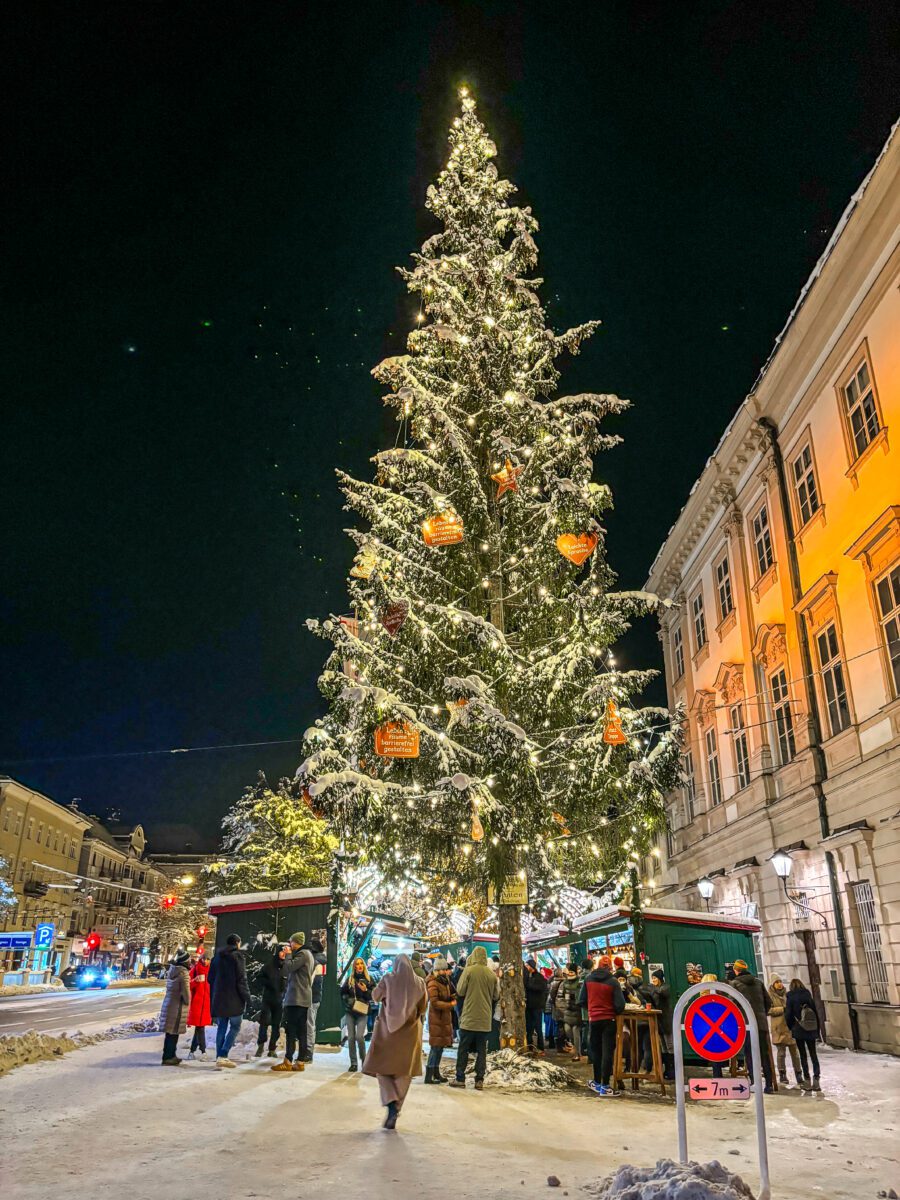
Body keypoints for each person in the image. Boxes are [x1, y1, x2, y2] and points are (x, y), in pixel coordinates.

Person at [363, 953, 427, 1129]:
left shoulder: (388, 979)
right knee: (404, 1073)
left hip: (386, 1033)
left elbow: (375, 996)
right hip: (410, 1034)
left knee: (382, 1069)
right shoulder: (420, 983)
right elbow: (423, 1008)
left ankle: (390, 1102)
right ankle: (397, 1106)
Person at [450, 945, 500, 1090]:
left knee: (463, 1049)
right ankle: (479, 1080)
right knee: (481, 1051)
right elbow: (496, 995)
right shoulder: (492, 975)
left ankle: (460, 1078)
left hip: (469, 1018)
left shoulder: (469, 970)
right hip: (485, 1019)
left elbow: (460, 990)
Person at [579, 954, 625, 1096]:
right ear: (610, 967)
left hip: (594, 1019)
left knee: (596, 1051)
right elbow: (620, 1005)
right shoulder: (613, 982)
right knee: (607, 1052)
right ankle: (605, 1086)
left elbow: (581, 1000)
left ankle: (596, 1082)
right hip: (609, 1020)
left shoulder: (588, 979)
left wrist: (592, 1009)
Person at [272, 931, 315, 1073]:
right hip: (302, 998)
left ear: (296, 942)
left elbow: (289, 968)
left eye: (291, 942)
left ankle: (288, 1060)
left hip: (297, 998)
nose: (290, 944)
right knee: (301, 1031)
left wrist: (288, 956)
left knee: (292, 1030)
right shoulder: (307, 955)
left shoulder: (303, 955)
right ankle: (300, 1061)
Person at [731, 958, 773, 1093]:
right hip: (761, 1023)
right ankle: (769, 1083)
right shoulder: (758, 982)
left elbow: (733, 1005)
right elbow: (768, 1001)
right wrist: (762, 1014)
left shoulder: (735, 984)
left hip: (745, 1024)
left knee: (749, 1053)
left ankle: (754, 1081)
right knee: (764, 1053)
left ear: (736, 970)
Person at [208, 934, 250, 1068]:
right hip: (234, 999)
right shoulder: (238, 957)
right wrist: (247, 997)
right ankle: (223, 1054)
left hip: (219, 999)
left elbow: (210, 979)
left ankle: (219, 1057)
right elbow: (241, 979)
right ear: (237, 943)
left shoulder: (216, 958)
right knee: (235, 1026)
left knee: (221, 1027)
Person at [785, 978, 822, 1092]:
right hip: (811, 1028)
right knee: (813, 1054)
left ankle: (807, 1080)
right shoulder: (807, 995)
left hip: (799, 1028)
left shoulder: (790, 997)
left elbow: (788, 1015)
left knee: (803, 1055)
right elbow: (815, 1012)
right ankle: (816, 1079)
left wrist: (792, 1027)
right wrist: (817, 1028)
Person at [424, 955, 455, 1083]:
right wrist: (450, 1005)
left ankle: (436, 1073)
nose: (445, 971)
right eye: (443, 969)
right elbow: (435, 1002)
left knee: (440, 1047)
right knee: (435, 1047)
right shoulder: (433, 982)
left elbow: (450, 994)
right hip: (436, 1018)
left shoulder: (445, 981)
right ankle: (429, 1075)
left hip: (444, 1018)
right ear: (437, 970)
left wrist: (454, 996)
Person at [768, 975, 802, 1087]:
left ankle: (798, 1073)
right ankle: (782, 1074)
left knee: (795, 1053)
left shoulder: (787, 994)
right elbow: (768, 1010)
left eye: (780, 981)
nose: (779, 984)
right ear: (772, 984)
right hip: (778, 1028)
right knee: (781, 1053)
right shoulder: (770, 996)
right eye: (776, 982)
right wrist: (782, 1009)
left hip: (789, 1027)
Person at [159, 949, 191, 1065]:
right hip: (177, 1007)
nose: (190, 962)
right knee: (174, 1032)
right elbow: (186, 994)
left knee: (169, 1032)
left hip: (169, 1004)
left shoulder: (173, 970)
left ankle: (168, 1055)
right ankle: (169, 1057)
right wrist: (188, 1001)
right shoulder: (183, 973)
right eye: (189, 960)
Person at [341, 957, 374, 1072]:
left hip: (362, 1012)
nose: (359, 966)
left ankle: (364, 1061)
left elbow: (374, 995)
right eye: (357, 964)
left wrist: (365, 990)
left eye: (361, 964)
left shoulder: (369, 979)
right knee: (350, 1037)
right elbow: (342, 992)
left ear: (364, 966)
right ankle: (353, 1063)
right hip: (350, 1011)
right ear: (354, 966)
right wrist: (347, 1000)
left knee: (359, 1037)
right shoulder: (350, 979)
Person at [255, 944, 286, 1059]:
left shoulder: (286, 967)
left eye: (285, 952)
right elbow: (259, 978)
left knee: (276, 1025)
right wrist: (269, 984)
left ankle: (272, 1048)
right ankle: (261, 1045)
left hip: (279, 1000)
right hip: (268, 999)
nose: (283, 954)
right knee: (264, 1023)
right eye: (281, 951)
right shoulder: (269, 966)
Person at [648, 969, 674, 1079]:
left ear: (659, 978)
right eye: (652, 978)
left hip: (666, 1020)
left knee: (669, 1045)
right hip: (659, 1021)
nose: (653, 980)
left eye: (655, 978)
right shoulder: (655, 989)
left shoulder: (665, 987)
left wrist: (652, 989)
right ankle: (666, 1069)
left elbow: (663, 993)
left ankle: (672, 1070)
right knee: (663, 1046)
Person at [305, 936, 327, 1062]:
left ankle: (308, 1052)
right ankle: (308, 1050)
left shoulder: (313, 961)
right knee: (310, 1024)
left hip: (310, 996)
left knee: (308, 1025)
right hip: (315, 996)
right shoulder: (320, 961)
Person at [187, 948, 211, 1059]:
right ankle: (203, 1051)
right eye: (205, 959)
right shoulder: (195, 970)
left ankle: (192, 1052)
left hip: (206, 1004)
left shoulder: (211, 971)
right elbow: (188, 985)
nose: (206, 961)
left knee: (199, 1028)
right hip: (197, 1004)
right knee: (200, 1028)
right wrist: (195, 981)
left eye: (208, 959)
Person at [523, 958, 549, 1054]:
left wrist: (528, 984)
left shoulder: (539, 978)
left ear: (532, 967)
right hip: (529, 1006)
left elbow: (540, 988)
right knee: (529, 1028)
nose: (526, 967)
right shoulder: (528, 977)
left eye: (527, 965)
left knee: (538, 1028)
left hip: (537, 1007)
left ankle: (541, 1047)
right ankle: (530, 1047)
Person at [561, 963, 584, 1062]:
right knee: (568, 1031)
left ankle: (577, 1053)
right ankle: (576, 1048)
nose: (570, 974)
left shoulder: (580, 983)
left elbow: (581, 996)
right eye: (569, 972)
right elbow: (562, 995)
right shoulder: (565, 983)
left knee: (576, 1033)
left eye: (572, 972)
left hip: (577, 1012)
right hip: (567, 1011)